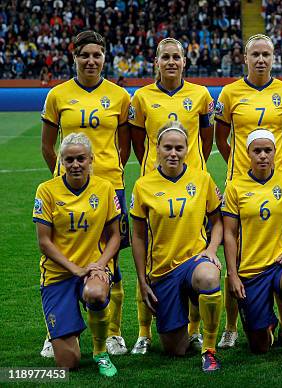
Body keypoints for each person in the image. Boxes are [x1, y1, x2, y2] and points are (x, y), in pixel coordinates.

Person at [40, 30, 131, 358]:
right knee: (61, 256)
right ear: (74, 57)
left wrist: (104, 173)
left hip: (110, 188)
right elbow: (48, 146)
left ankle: (114, 333)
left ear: (105, 57)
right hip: (67, 190)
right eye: (85, 55)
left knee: (111, 261)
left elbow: (125, 146)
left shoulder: (120, 96)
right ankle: (56, 330)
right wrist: (65, 175)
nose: (91, 60)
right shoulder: (57, 95)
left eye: (97, 55)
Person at [129, 37, 215, 355]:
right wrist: (154, 173)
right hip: (154, 190)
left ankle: (193, 330)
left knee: (194, 253)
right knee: (152, 259)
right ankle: (143, 332)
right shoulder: (141, 98)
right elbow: (139, 144)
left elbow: (206, 141)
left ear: (184, 61)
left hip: (193, 189)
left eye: (176, 57)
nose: (171, 62)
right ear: (156, 62)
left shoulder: (200, 95)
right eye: (165, 57)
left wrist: (193, 171)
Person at [215, 34, 282, 348]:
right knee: (234, 253)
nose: (261, 60)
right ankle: (231, 326)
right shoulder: (230, 92)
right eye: (255, 55)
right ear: (246, 59)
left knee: (278, 250)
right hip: (240, 185)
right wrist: (242, 168)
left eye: (266, 54)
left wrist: (274, 169)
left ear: (273, 58)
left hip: (278, 186)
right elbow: (221, 139)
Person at [130, 122, 223, 372]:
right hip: (162, 271)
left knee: (209, 276)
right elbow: (137, 237)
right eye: (168, 147)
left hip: (195, 261)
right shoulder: (143, 186)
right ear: (157, 149)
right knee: (175, 349)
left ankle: (210, 349)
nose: (173, 153)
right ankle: (183, 331)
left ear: (187, 149)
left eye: (179, 148)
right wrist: (142, 279)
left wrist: (212, 250)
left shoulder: (202, 179)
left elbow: (217, 221)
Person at [34, 133, 121, 377]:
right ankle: (69, 329)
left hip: (92, 270)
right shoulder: (46, 191)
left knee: (95, 292)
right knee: (67, 364)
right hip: (57, 275)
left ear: (91, 159)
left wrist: (101, 265)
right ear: (61, 161)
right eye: (69, 159)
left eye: (81, 159)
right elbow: (44, 242)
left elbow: (116, 235)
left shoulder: (104, 188)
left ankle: (100, 351)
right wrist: (74, 269)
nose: (75, 165)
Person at [222, 129, 282, 367]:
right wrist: (232, 273)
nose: (263, 155)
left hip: (280, 263)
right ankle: (269, 322)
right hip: (250, 270)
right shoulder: (235, 187)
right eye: (257, 151)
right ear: (247, 153)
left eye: (267, 150)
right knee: (259, 346)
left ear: (275, 153)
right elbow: (229, 233)